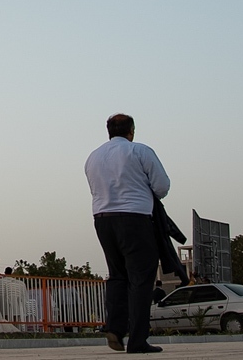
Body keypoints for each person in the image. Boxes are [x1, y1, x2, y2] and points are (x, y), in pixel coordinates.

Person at [83, 113, 170, 355]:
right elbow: (161, 186)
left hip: (102, 219)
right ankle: (138, 340)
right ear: (131, 131)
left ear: (108, 131)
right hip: (134, 218)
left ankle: (115, 326)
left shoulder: (93, 157)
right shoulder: (140, 151)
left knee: (117, 275)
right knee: (141, 279)